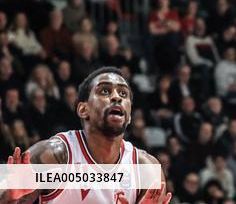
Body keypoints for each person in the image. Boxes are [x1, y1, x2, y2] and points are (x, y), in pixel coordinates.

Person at [1, 67, 171, 204]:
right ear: (83, 109)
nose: (116, 97)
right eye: (105, 91)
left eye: (123, 94)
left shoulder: (146, 169)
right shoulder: (55, 156)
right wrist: (10, 198)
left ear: (130, 115)